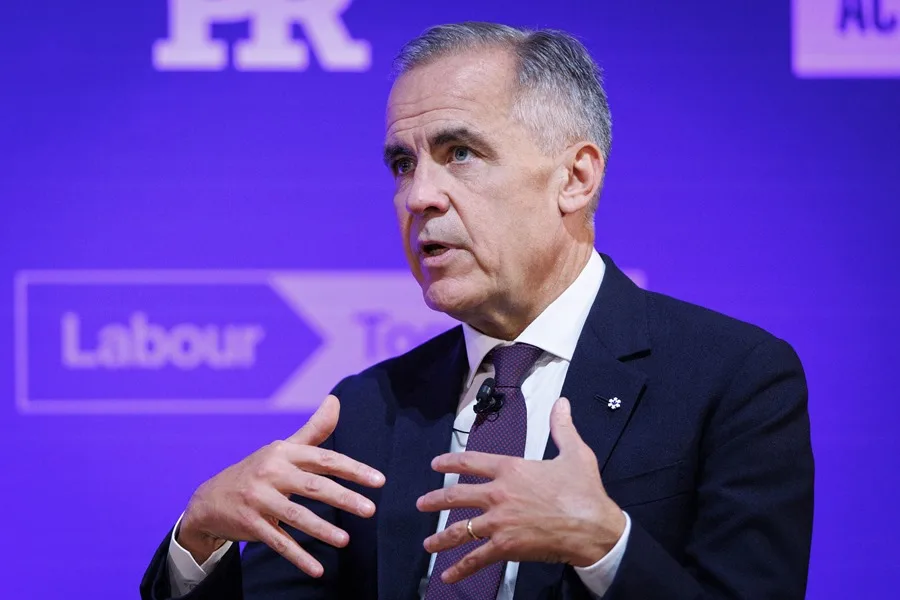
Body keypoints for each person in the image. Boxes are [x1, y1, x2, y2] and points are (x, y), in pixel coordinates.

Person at [140, 22, 814, 600]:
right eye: (402, 164)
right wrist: (198, 538)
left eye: (459, 153)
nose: (418, 197)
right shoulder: (370, 411)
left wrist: (605, 546)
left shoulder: (733, 378)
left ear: (576, 178)